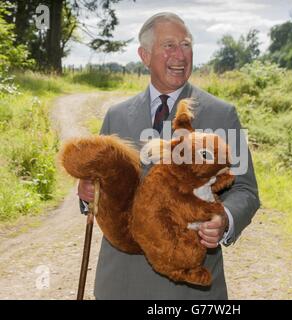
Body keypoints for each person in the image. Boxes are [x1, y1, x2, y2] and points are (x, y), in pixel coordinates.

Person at [77, 12, 260, 299]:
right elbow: (100, 184)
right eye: (169, 46)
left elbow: (246, 190)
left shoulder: (222, 114)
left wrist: (224, 218)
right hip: (121, 283)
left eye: (186, 45)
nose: (180, 55)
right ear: (144, 55)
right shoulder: (116, 116)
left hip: (190, 289)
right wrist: (88, 192)